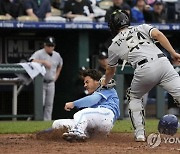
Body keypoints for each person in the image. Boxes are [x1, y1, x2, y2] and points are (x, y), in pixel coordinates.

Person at [100, 10, 180, 142]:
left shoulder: (113, 45)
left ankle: (140, 133)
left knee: (134, 97)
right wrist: (173, 53)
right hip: (164, 63)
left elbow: (110, 70)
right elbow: (158, 34)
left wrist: (105, 81)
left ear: (113, 26)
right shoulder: (141, 27)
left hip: (144, 69)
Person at [52, 69, 120, 142]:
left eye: (87, 82)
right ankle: (83, 134)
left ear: (96, 81)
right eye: (84, 83)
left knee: (81, 114)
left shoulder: (105, 88)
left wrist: (73, 103)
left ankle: (78, 132)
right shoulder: (95, 93)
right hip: (94, 127)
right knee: (57, 124)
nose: (85, 85)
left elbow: (92, 100)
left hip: (106, 116)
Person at [29, 36, 63, 121]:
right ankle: (39, 121)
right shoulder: (39, 53)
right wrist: (43, 62)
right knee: (41, 103)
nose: (50, 47)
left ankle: (47, 121)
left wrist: (56, 76)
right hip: (41, 82)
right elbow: (31, 61)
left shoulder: (57, 55)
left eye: (52, 45)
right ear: (44, 45)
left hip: (51, 82)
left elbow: (60, 65)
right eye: (48, 45)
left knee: (49, 104)